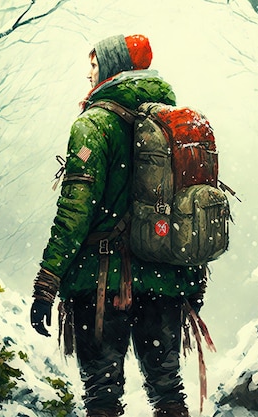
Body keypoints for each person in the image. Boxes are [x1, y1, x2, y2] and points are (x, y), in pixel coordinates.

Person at [30, 34, 207, 417]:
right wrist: (193, 281)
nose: (88, 73)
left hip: (101, 283)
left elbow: (74, 211)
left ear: (111, 69)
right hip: (165, 279)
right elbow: (189, 206)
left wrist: (47, 283)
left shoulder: (94, 125)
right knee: (168, 392)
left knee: (102, 397)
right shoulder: (171, 125)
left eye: (94, 65)